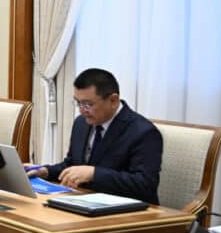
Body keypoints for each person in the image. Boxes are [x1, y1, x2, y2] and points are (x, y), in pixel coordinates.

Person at [27, 68, 162, 204]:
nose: (82, 110)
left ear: (113, 100)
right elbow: (73, 164)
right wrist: (46, 171)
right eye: (78, 103)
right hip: (84, 201)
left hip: (128, 210)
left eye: (88, 104)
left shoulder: (143, 132)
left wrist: (94, 174)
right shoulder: (81, 123)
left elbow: (144, 185)